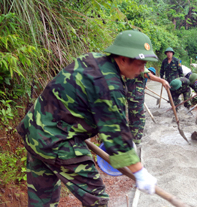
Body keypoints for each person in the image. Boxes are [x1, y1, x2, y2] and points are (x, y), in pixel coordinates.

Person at [16, 30, 159, 207]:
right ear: (122, 58)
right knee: (96, 200)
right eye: (140, 63)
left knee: (42, 200)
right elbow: (116, 135)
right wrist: (140, 172)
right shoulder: (109, 85)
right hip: (57, 140)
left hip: (34, 129)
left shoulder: (92, 59)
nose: (142, 69)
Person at [126, 67, 170, 145]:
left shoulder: (129, 65)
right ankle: (136, 142)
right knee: (140, 120)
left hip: (130, 96)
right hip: (136, 97)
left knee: (133, 119)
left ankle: (131, 139)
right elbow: (147, 75)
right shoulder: (138, 64)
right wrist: (162, 80)